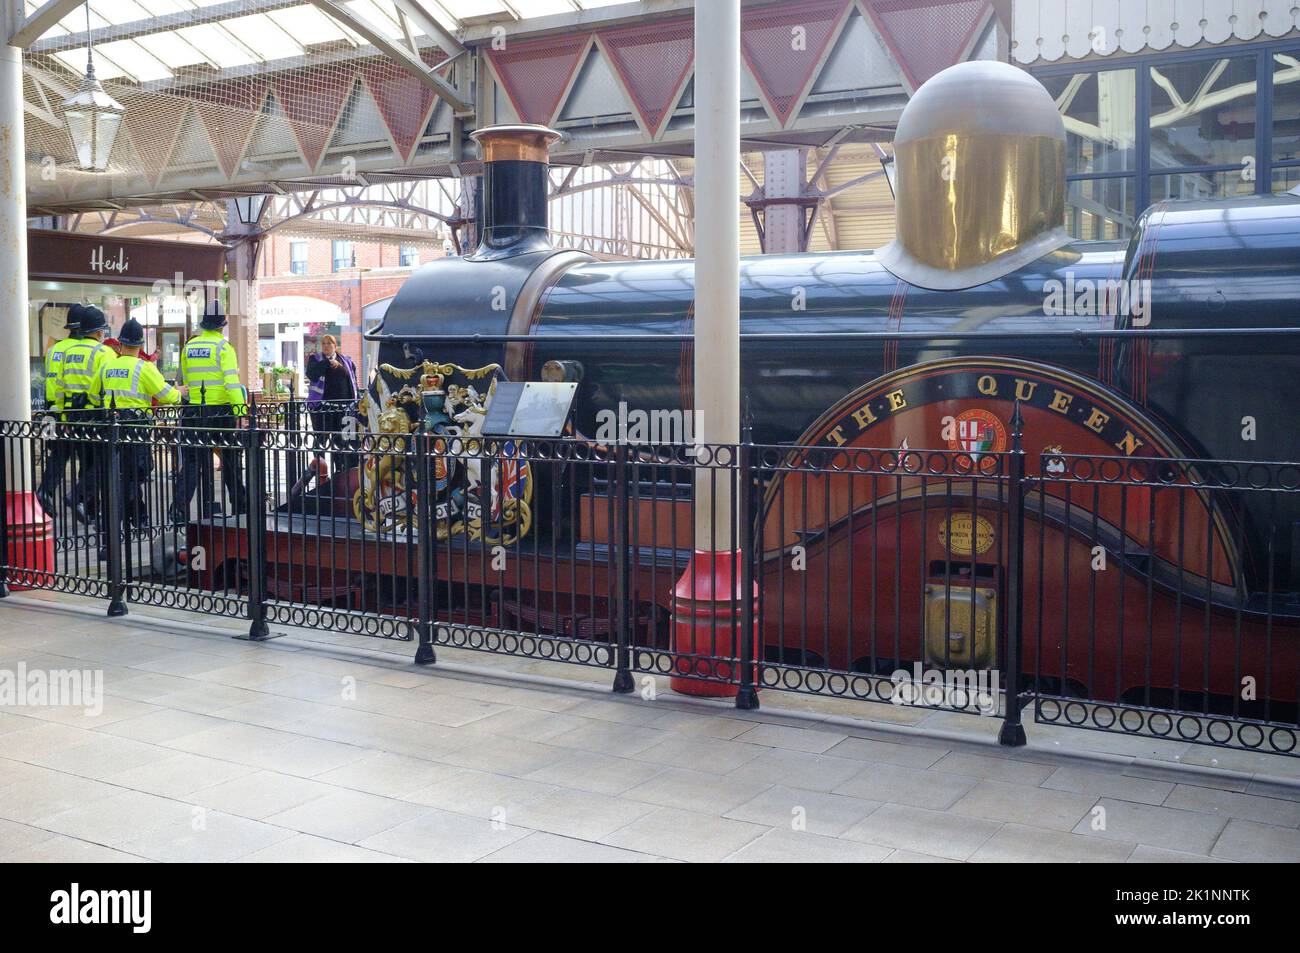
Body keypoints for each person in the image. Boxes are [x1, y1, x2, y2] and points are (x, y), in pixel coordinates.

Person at [91, 318, 184, 535]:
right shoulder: (145, 367)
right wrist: (180, 394)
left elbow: (94, 394)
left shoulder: (107, 366)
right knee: (133, 475)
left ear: (120, 344)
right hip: (136, 428)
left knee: (119, 476)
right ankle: (118, 524)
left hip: (109, 427)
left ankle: (139, 518)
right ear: (141, 346)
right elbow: (167, 395)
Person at [172, 300, 248, 524]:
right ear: (222, 326)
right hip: (221, 412)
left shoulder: (189, 346)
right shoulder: (224, 348)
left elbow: (185, 381)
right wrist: (241, 413)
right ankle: (240, 507)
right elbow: (232, 384)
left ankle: (178, 508)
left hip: (194, 411)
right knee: (231, 460)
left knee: (194, 462)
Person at [59, 306, 113, 524]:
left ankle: (89, 509)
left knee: (87, 463)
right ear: (100, 332)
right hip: (95, 415)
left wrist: (64, 416)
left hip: (73, 415)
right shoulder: (104, 353)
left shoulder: (69, 352)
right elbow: (106, 386)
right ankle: (80, 498)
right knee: (102, 464)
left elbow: (60, 386)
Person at [35, 304, 87, 517]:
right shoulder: (80, 351)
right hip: (76, 413)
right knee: (87, 457)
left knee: (59, 455)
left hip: (53, 413)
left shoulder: (55, 349)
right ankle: (81, 499)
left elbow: (52, 383)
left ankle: (45, 491)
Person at [304, 333, 358, 473]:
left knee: (341, 441)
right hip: (322, 408)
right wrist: (327, 362)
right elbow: (312, 374)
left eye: (329, 343)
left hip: (344, 409)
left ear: (335, 346)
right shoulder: (315, 359)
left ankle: (340, 472)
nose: (326, 346)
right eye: (324, 344)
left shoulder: (345, 360)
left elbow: (350, 378)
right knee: (321, 441)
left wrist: (338, 366)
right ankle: (320, 472)